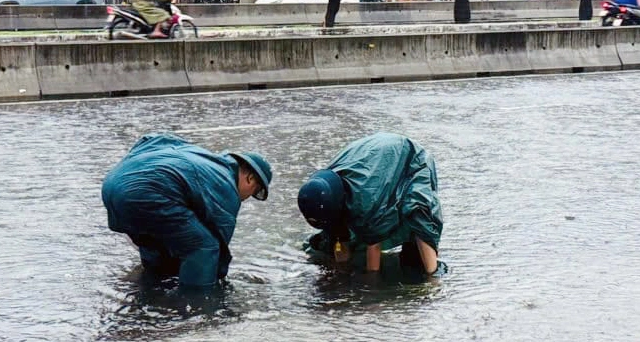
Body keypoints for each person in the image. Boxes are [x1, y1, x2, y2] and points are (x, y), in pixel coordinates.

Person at [102, 133, 272, 288]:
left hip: (113, 184)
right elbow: (218, 247)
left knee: (155, 242)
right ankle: (195, 306)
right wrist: (220, 282)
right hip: (145, 194)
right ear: (250, 179)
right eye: (253, 192)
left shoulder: (197, 156)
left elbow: (150, 139)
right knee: (205, 247)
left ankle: (150, 283)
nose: (246, 198)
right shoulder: (226, 184)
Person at [297, 132, 444, 276]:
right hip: (373, 161)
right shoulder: (320, 192)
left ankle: (432, 277)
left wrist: (371, 283)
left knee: (417, 211)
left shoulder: (365, 201)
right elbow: (338, 236)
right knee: (332, 241)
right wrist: (342, 272)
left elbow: (374, 243)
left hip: (409, 159)